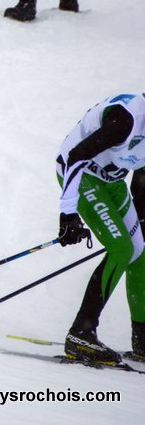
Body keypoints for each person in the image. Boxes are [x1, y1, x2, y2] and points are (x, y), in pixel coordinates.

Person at [54, 93, 145, 364]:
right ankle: (81, 333)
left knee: (140, 252)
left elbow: (142, 177)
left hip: (111, 181)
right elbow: (76, 157)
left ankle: (142, 340)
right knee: (121, 249)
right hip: (81, 175)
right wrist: (68, 214)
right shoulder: (125, 120)